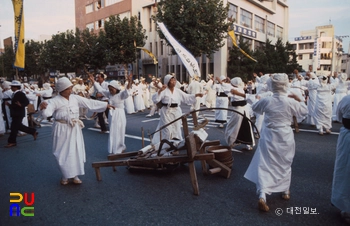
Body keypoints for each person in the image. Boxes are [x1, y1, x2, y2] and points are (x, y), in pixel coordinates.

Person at [244, 73, 308, 212]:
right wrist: (299, 98)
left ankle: (263, 194)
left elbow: (255, 108)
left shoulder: (267, 100)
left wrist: (260, 98)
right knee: (284, 163)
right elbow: (304, 111)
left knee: (265, 163)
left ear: (272, 86)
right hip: (285, 135)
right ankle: (285, 190)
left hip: (269, 135)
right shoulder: (291, 102)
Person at [39, 77, 114, 185]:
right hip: (61, 128)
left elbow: (89, 103)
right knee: (62, 152)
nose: (70, 90)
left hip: (74, 128)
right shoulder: (54, 101)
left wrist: (105, 105)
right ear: (61, 90)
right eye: (68, 89)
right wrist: (43, 108)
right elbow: (47, 113)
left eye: (70, 88)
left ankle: (75, 175)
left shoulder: (75, 98)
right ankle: (65, 176)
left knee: (75, 151)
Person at [151, 74, 203, 144]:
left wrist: (196, 95)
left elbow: (186, 97)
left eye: (174, 80)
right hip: (166, 112)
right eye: (171, 80)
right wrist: (160, 90)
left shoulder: (177, 91)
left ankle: (176, 144)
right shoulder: (164, 90)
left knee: (177, 128)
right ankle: (166, 145)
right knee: (167, 130)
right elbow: (156, 99)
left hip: (176, 112)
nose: (173, 82)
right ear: (167, 82)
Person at [89, 73, 133, 154]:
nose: (110, 91)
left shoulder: (121, 94)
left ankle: (120, 147)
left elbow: (127, 92)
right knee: (113, 131)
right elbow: (100, 90)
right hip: (112, 114)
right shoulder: (109, 93)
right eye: (109, 89)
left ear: (116, 88)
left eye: (112, 89)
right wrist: (93, 81)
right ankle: (113, 147)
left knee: (120, 130)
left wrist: (129, 82)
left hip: (120, 114)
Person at [331, 94, 350, 224]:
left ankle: (346, 207)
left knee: (345, 169)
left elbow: (338, 116)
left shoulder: (347, 99)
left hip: (347, 135)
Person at [5, 80, 38, 148]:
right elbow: (15, 105)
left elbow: (26, 102)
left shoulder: (20, 93)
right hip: (15, 113)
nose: (11, 88)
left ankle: (12, 141)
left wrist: (21, 105)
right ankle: (33, 131)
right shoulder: (14, 94)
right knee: (18, 126)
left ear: (16, 87)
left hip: (18, 113)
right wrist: (9, 105)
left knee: (14, 128)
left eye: (12, 87)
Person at [225, 77, 255, 151]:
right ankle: (248, 145)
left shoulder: (233, 90)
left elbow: (226, 90)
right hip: (245, 110)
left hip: (238, 111)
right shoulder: (240, 88)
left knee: (232, 126)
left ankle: (231, 142)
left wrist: (224, 82)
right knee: (246, 126)